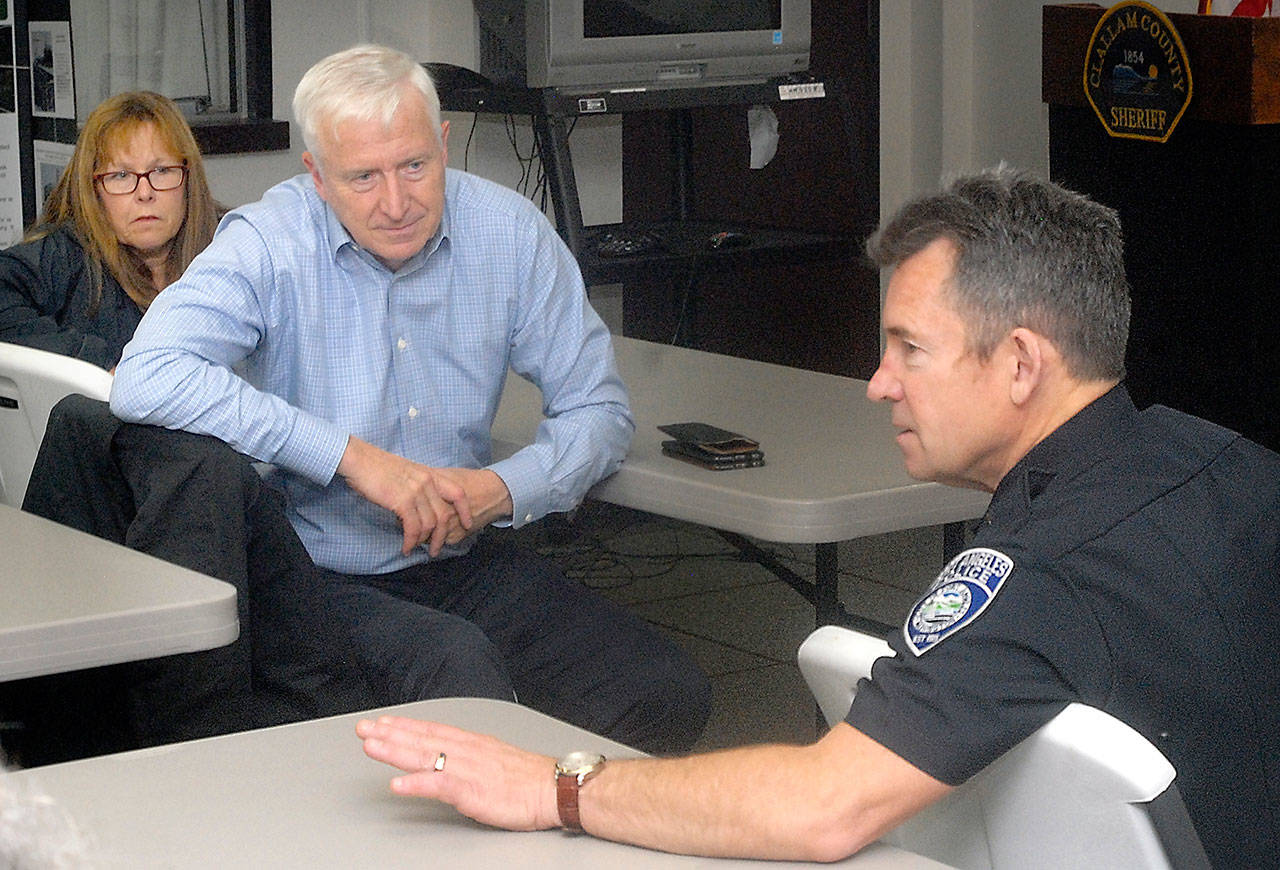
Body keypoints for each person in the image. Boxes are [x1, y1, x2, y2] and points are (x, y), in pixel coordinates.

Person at [355, 167, 1280, 867]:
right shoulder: (1235, 466)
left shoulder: (1031, 576)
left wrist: (553, 784)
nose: (879, 384)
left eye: (909, 350)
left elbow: (823, 808)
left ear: (1023, 364)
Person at [108, 44, 710, 754]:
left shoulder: (508, 231)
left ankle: (548, 823)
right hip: (312, 575)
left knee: (665, 691)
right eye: (362, 177)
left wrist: (502, 489)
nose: (396, 203)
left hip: (463, 560)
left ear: (444, 144)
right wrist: (350, 458)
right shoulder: (270, 241)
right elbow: (146, 374)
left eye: (415, 167)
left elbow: (599, 411)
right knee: (461, 681)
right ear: (317, 175)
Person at [0, 91, 223, 368]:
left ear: (188, 179)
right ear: (93, 190)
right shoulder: (66, 255)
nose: (145, 192)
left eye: (162, 170)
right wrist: (98, 366)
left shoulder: (231, 244)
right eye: (121, 175)